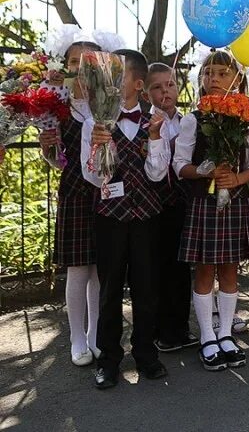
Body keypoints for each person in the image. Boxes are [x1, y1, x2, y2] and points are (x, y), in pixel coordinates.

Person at [80, 48, 170, 389]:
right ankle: (109, 359)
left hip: (147, 216)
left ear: (136, 84)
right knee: (110, 290)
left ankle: (146, 354)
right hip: (110, 217)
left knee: (147, 288)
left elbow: (158, 174)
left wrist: (155, 139)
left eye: (116, 77)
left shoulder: (154, 120)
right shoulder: (94, 121)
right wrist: (98, 149)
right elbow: (92, 178)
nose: (109, 83)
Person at [173, 50, 249, 372]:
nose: (214, 79)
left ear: (236, 79)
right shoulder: (193, 120)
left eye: (223, 73)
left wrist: (236, 178)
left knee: (229, 270)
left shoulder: (245, 119)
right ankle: (207, 336)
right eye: (208, 73)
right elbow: (180, 165)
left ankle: (225, 334)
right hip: (204, 202)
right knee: (205, 270)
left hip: (234, 200)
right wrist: (206, 170)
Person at [39, 26, 102, 367]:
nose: (80, 67)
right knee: (78, 269)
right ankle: (77, 337)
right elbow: (57, 161)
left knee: (99, 270)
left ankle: (94, 334)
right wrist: (49, 150)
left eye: (88, 61)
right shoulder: (58, 106)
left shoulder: (107, 102)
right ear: (65, 65)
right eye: (74, 61)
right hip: (76, 193)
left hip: (105, 193)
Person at [143, 63, 198, 353]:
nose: (166, 91)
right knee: (160, 268)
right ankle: (162, 330)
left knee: (181, 268)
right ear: (146, 92)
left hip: (182, 201)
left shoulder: (187, 120)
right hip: (157, 203)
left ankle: (182, 326)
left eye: (171, 84)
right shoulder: (148, 122)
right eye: (157, 87)